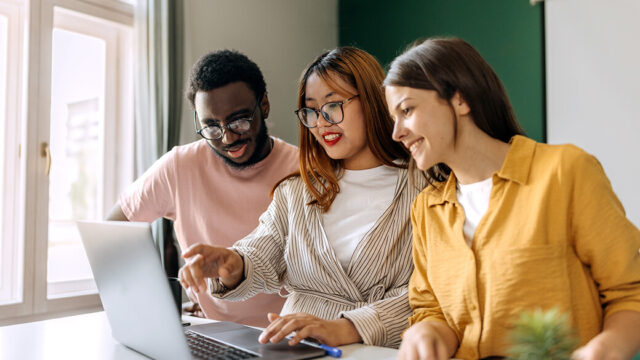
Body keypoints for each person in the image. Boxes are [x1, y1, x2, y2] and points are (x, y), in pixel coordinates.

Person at [383, 37, 640, 360]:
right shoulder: (427, 208)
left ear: (460, 99)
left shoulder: (566, 172)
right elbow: (430, 309)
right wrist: (428, 330)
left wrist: (606, 349)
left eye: (406, 110)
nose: (397, 132)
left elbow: (631, 292)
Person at [178, 47, 426, 348]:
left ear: (374, 99)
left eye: (333, 106)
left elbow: (428, 294)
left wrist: (346, 328)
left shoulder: (425, 189)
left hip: (376, 351)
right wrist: (232, 264)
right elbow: (259, 254)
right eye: (310, 111)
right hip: (293, 349)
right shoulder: (296, 192)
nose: (320, 123)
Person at [107, 50, 299, 327]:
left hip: (284, 334)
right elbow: (112, 233)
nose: (227, 137)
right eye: (211, 126)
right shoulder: (179, 166)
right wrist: (155, 298)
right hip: (207, 328)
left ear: (264, 105)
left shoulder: (302, 169)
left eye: (239, 120)